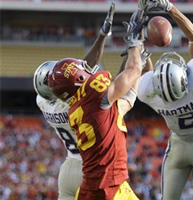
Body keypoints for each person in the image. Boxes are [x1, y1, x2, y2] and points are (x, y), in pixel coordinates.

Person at [48, 9, 147, 200]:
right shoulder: (95, 97)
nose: (86, 69)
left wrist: (137, 54)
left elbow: (126, 101)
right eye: (81, 69)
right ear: (78, 79)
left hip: (99, 185)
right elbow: (132, 71)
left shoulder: (78, 108)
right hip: (108, 189)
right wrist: (134, 43)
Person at [137, 0, 193, 199]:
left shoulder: (150, 94)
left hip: (178, 145)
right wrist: (170, 8)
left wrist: (138, 39)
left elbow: (146, 70)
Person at [33, 3, 115, 200]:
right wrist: (102, 36)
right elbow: (85, 68)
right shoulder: (72, 102)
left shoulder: (42, 102)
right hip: (89, 167)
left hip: (67, 167)